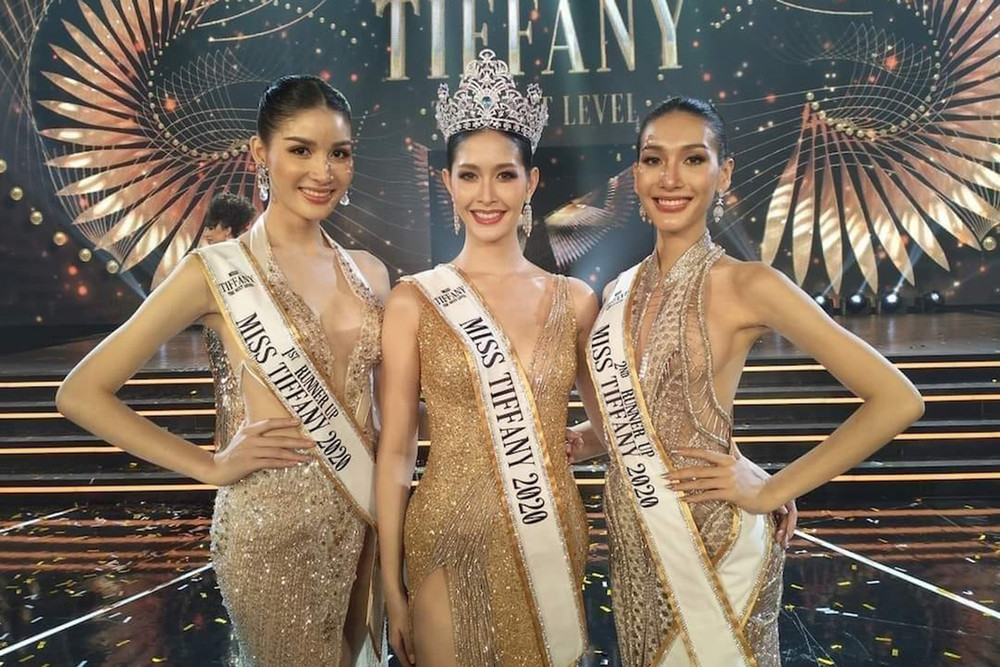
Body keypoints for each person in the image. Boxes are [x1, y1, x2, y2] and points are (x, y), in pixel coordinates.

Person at [570, 96, 924, 666]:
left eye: (693, 159)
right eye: (654, 159)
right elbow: (642, 418)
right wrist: (582, 439)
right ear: (636, 174)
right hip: (633, 537)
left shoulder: (749, 284)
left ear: (724, 172)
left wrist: (772, 489)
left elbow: (897, 400)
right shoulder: (617, 290)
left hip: (713, 541)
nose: (670, 178)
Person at [57, 75, 390, 667]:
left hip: (366, 521)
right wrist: (208, 465)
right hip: (271, 531)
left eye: (339, 153)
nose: (324, 171)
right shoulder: (212, 271)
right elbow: (81, 392)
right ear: (260, 153)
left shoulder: (371, 272)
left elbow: (383, 410)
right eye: (301, 150)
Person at [375, 49, 596, 667]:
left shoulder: (577, 301)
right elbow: (395, 451)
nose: (487, 194)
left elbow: (620, 424)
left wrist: (574, 440)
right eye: (469, 175)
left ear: (531, 182)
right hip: (446, 536)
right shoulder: (414, 300)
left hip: (550, 532)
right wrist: (391, 585)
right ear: (447, 183)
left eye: (505, 175)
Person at [198, 191, 257, 451]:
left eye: (213, 227)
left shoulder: (223, 259)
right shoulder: (246, 255)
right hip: (225, 337)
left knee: (233, 394)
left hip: (236, 336)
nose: (207, 233)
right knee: (228, 394)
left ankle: (233, 448)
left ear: (229, 228)